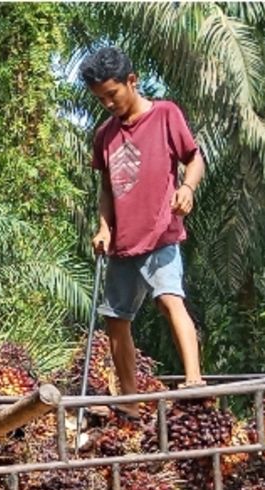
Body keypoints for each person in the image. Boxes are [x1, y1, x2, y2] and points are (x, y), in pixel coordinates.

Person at [81, 46, 205, 414]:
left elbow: (194, 158)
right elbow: (106, 189)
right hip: (122, 243)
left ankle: (194, 380)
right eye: (100, 99)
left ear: (131, 81)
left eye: (112, 94)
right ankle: (130, 400)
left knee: (169, 300)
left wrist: (187, 188)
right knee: (115, 319)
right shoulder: (104, 135)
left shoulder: (165, 114)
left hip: (160, 232)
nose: (108, 104)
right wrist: (104, 228)